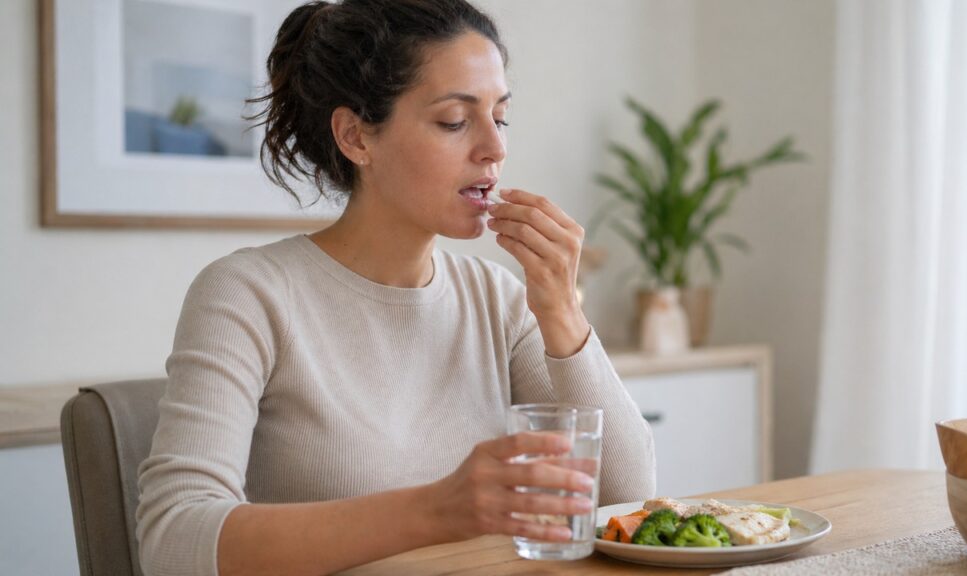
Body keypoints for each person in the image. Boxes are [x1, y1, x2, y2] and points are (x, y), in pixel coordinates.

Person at [135, 1, 656, 575]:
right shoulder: (247, 295)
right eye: (455, 121)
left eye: (500, 117)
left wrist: (562, 314)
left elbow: (627, 496)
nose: (494, 148)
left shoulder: (498, 299)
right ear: (357, 137)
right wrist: (436, 510)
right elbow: (172, 542)